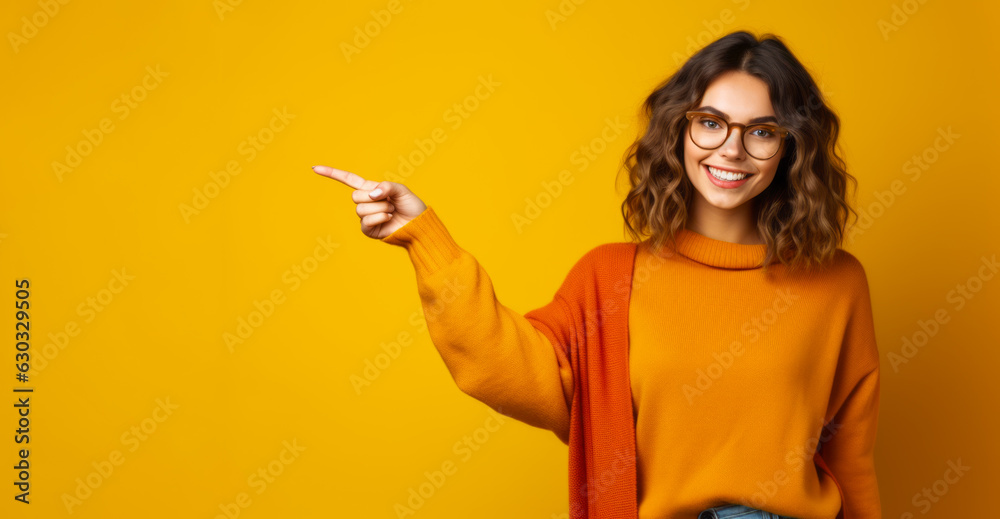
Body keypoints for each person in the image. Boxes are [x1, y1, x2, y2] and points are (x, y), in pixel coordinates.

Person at [313, 30, 880, 519]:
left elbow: (851, 457)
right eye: (711, 123)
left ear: (789, 148)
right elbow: (502, 370)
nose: (731, 149)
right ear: (680, 131)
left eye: (761, 131)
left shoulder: (836, 283)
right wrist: (425, 237)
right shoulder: (611, 276)